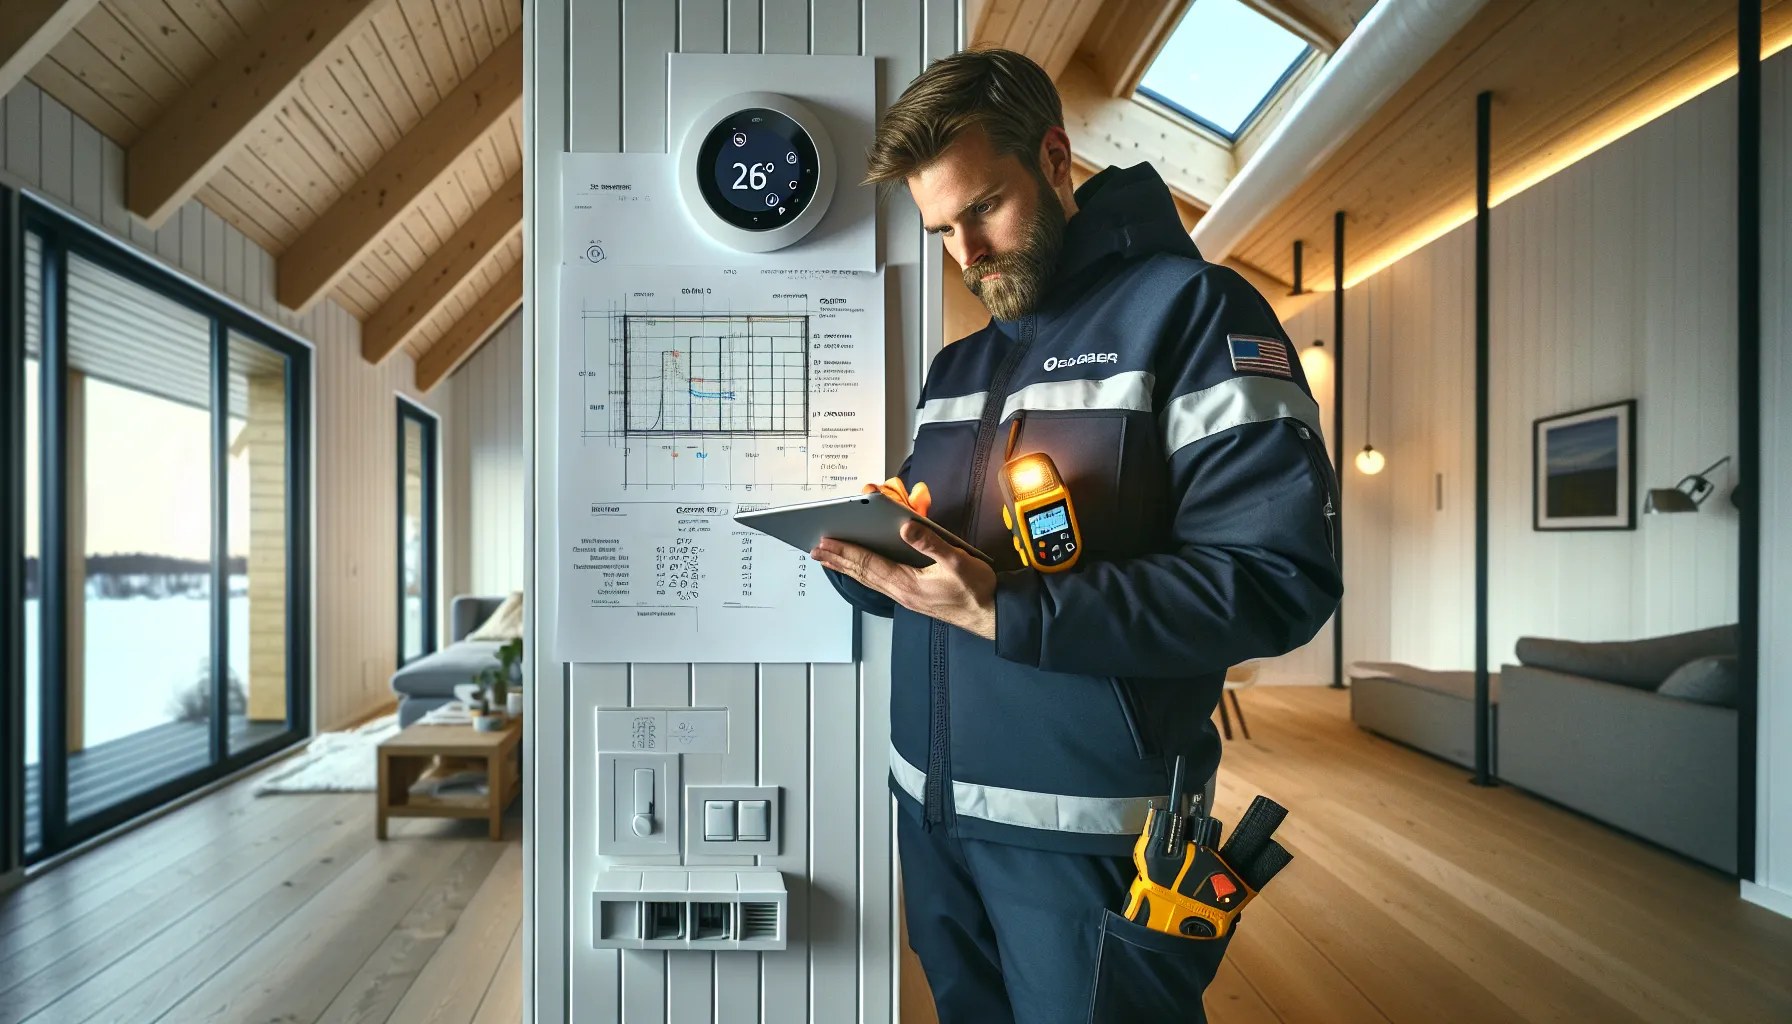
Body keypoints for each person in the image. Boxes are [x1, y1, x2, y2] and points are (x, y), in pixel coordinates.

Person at [809, 48, 1343, 1024]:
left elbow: (1277, 578)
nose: (966, 252)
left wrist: (1011, 605)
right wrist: (868, 558)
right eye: (942, 229)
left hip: (1090, 837)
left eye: (984, 209)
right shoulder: (959, 363)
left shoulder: (1193, 313)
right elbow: (954, 568)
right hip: (933, 814)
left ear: (1055, 160)